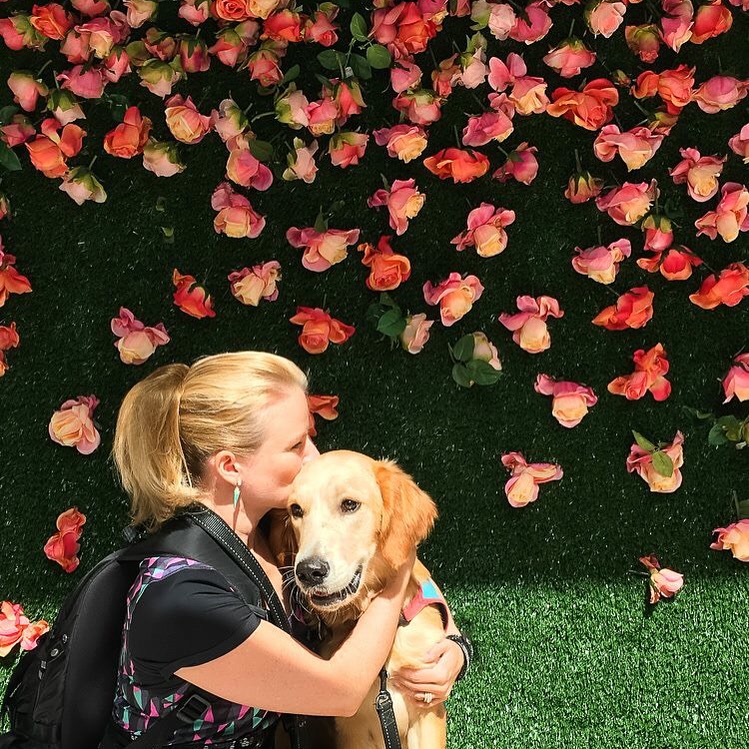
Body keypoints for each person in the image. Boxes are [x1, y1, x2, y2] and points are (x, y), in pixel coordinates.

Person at [104, 350, 467, 748]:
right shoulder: (182, 597)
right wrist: (403, 560)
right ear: (230, 466)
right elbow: (341, 692)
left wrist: (452, 647)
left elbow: (405, 583)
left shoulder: (272, 531)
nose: (313, 456)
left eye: (310, 437)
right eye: (296, 445)